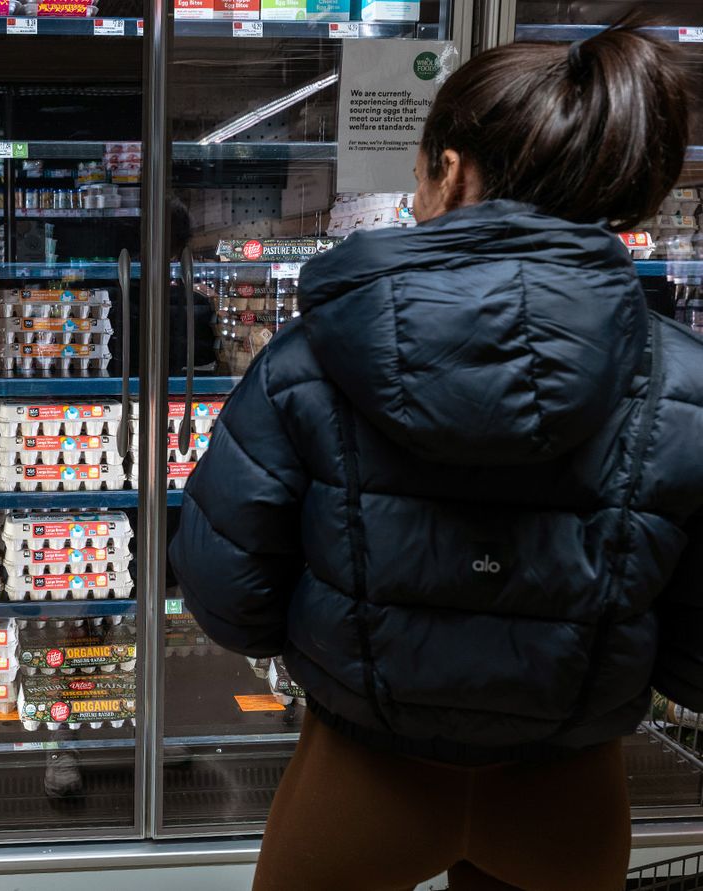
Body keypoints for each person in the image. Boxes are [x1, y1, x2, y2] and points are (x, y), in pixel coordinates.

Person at [169, 22, 703, 891]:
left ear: (451, 170)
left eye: (420, 173)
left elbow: (229, 595)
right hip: (568, 793)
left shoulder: (311, 358)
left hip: (360, 780)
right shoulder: (682, 381)